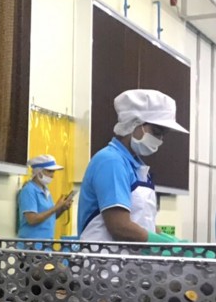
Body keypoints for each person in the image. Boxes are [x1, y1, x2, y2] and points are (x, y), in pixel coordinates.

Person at [77, 89, 188, 242]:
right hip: (103, 262)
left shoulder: (136, 167)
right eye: (156, 131)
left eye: (164, 134)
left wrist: (169, 239)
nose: (160, 139)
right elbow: (119, 226)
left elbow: (142, 222)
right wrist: (163, 244)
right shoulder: (111, 161)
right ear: (134, 123)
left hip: (125, 261)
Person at [17, 155, 72, 241]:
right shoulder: (29, 190)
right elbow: (32, 219)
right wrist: (56, 207)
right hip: (31, 244)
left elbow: (49, 217)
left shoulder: (45, 190)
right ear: (39, 172)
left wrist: (62, 208)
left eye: (53, 172)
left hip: (45, 243)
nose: (52, 175)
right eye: (49, 171)